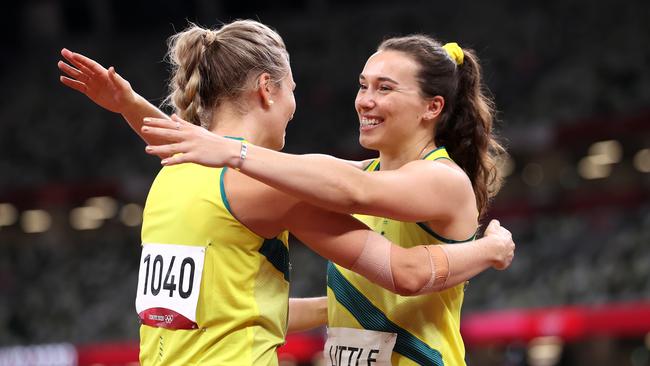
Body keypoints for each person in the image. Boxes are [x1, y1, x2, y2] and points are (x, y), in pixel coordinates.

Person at [58, 21, 514, 365]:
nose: (364, 99)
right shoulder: (245, 178)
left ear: (433, 107)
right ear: (267, 89)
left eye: (383, 88)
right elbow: (344, 191)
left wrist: (141, 110)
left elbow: (352, 190)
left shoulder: (178, 174)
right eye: (363, 86)